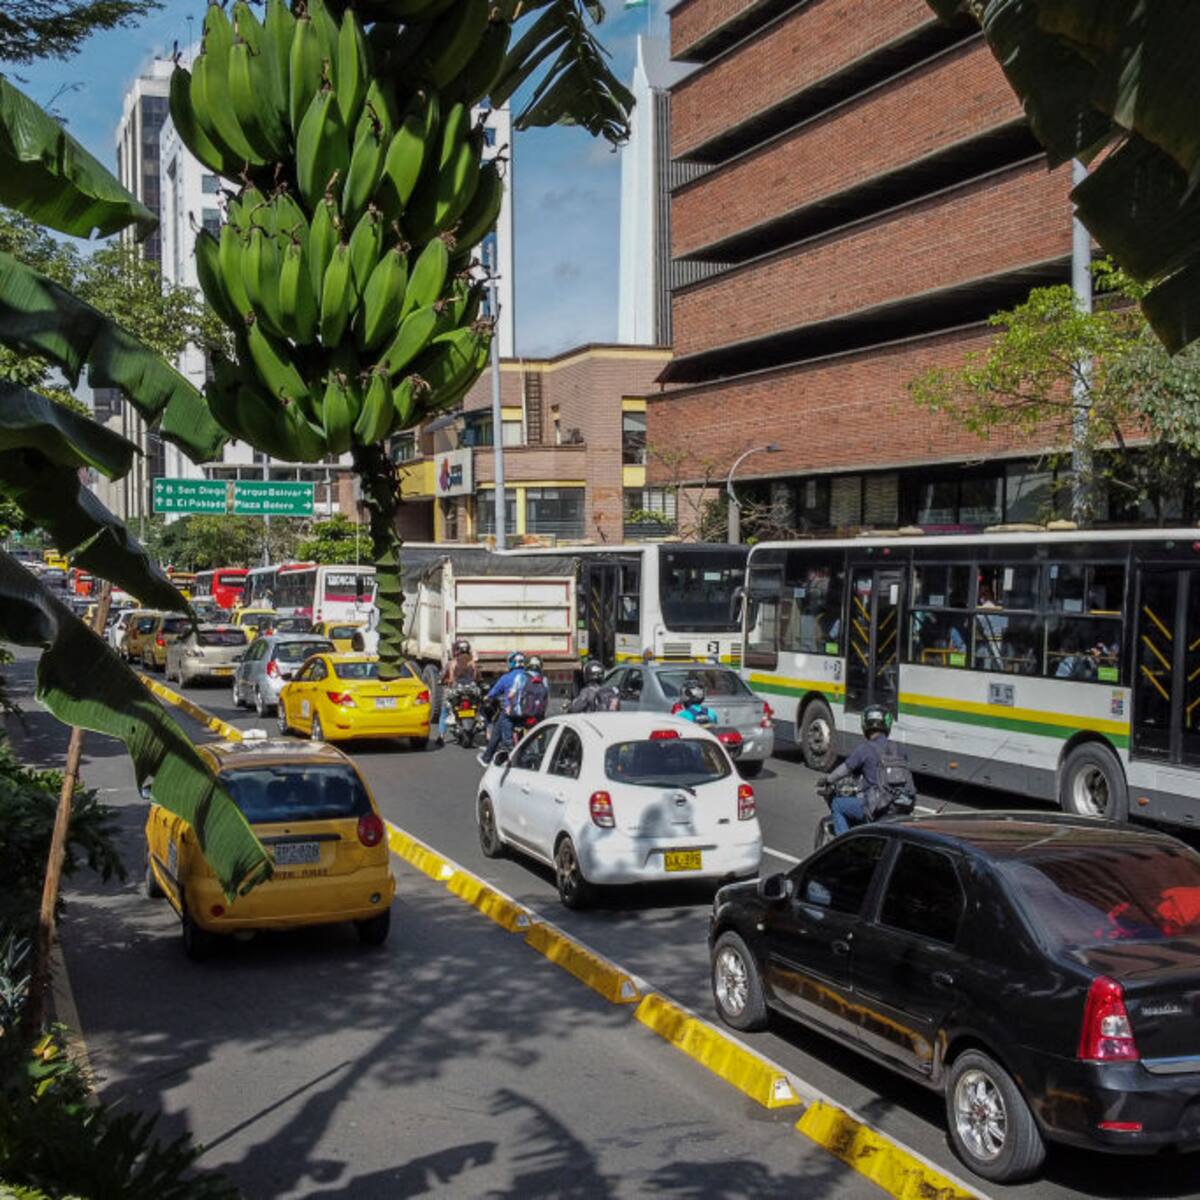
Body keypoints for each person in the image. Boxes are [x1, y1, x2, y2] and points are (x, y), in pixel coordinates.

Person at [820, 705, 915, 836]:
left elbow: (843, 770)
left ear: (865, 724)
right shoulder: (899, 748)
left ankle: (844, 845)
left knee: (838, 804)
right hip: (902, 804)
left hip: (878, 807)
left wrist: (827, 779)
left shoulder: (864, 749)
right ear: (887, 724)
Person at [479, 651, 527, 766]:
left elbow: (493, 693)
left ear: (511, 663)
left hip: (510, 713)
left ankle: (486, 758)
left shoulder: (506, 678)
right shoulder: (528, 676)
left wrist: (487, 697)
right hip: (527, 714)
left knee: (497, 729)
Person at [436, 638, 477, 747]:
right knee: (479, 709)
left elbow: (444, 677)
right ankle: (487, 736)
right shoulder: (472, 663)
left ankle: (441, 736)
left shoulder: (451, 663)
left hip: (454, 691)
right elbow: (476, 677)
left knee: (444, 713)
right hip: (471, 691)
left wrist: (441, 681)